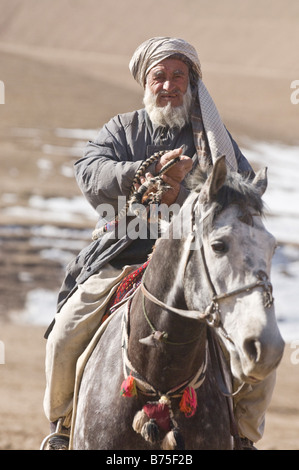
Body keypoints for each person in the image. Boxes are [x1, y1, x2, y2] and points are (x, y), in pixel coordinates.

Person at [42, 37, 276, 450]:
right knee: (65, 334)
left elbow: (240, 196)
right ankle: (62, 428)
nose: (168, 86)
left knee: (259, 349)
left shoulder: (215, 143)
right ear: (145, 83)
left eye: (178, 77)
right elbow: (91, 173)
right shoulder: (121, 129)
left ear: (191, 84)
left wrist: (193, 194)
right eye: (159, 77)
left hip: (195, 270)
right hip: (124, 258)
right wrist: (145, 172)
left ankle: (242, 437)